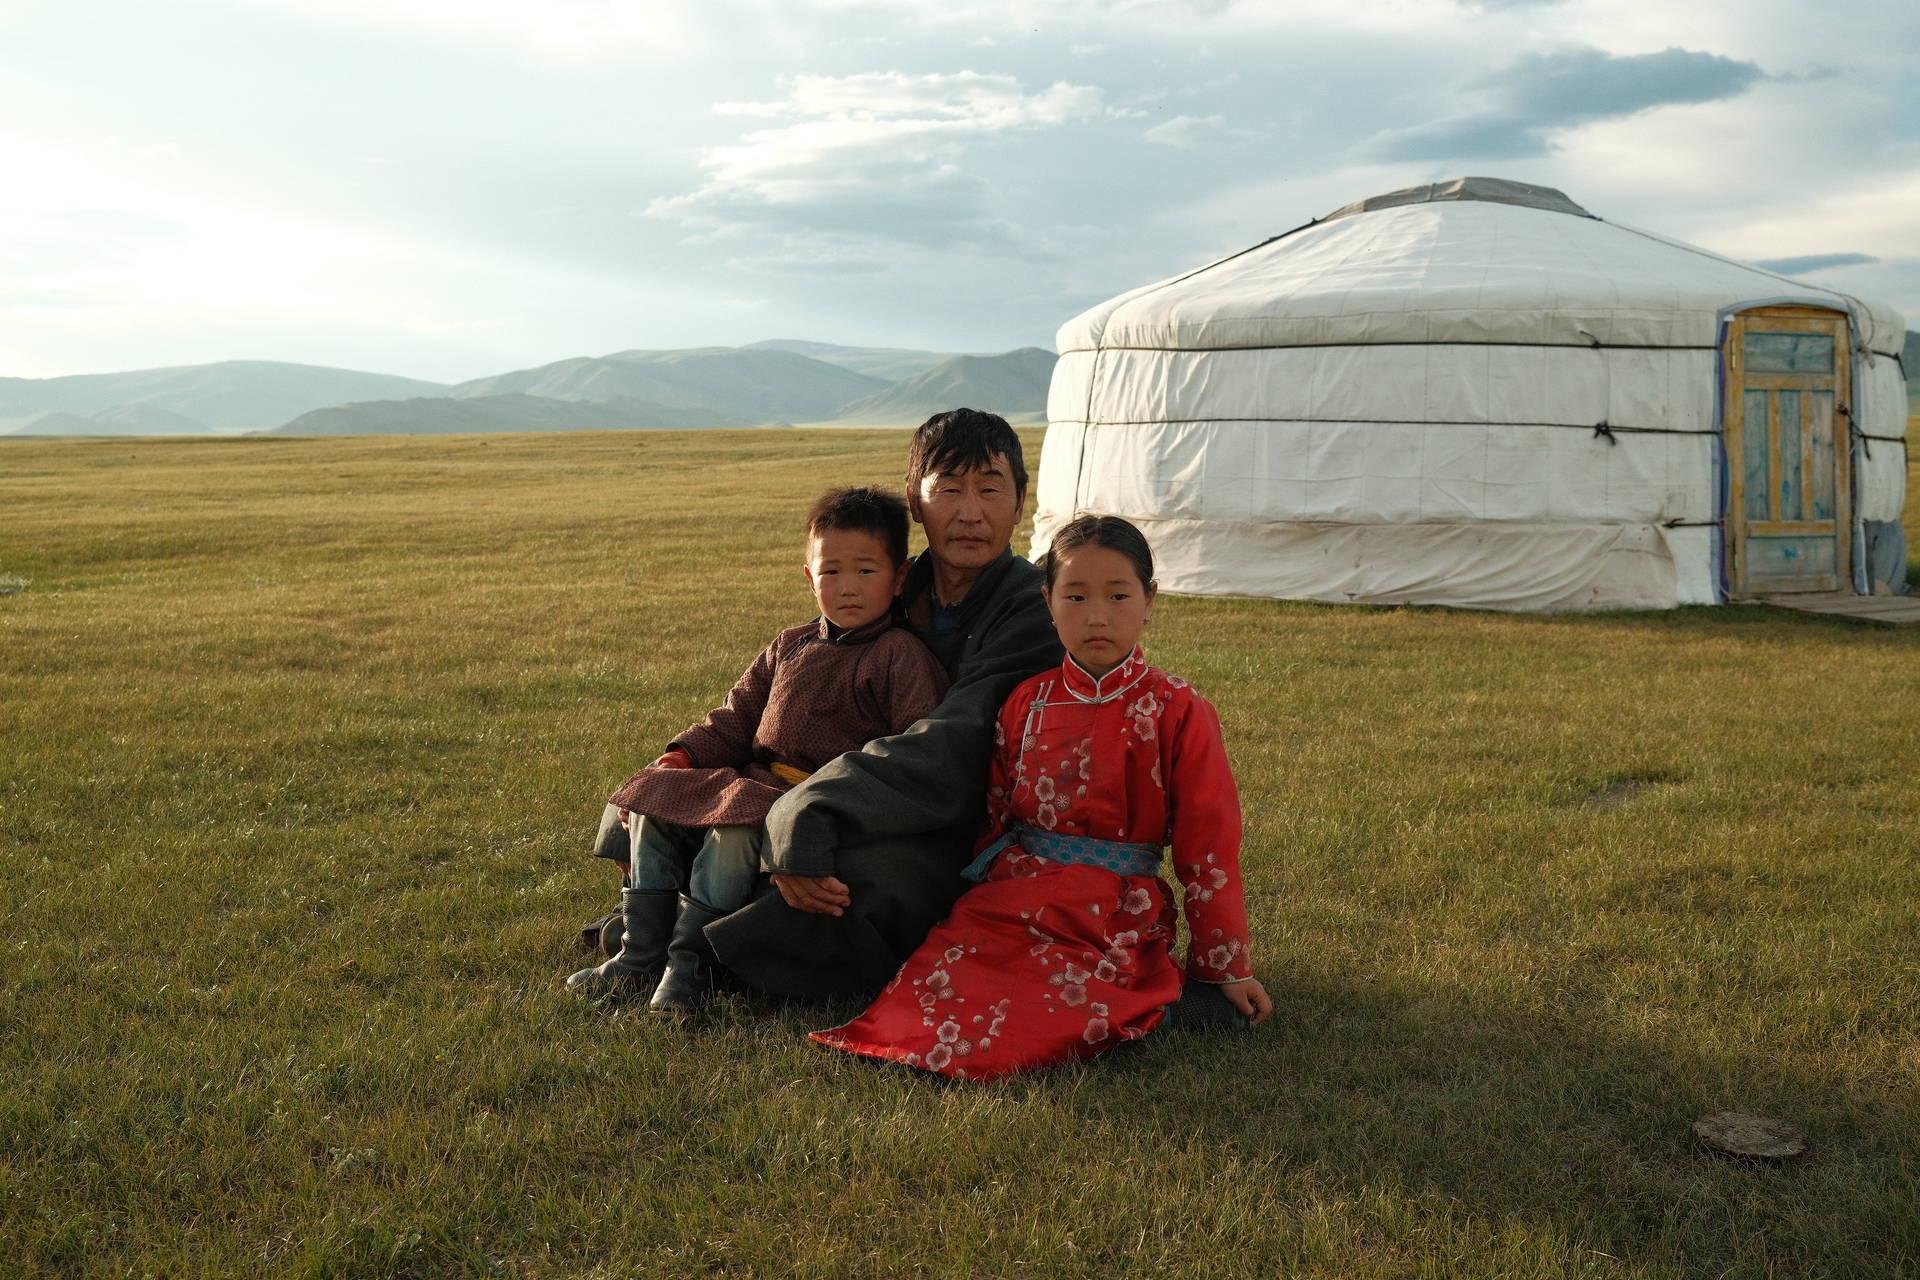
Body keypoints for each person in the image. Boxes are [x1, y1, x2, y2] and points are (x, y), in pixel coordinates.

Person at [809, 515, 1273, 1080]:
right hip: (1016, 894)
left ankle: (1169, 1002)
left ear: (1150, 599)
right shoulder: (1026, 701)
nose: (1097, 616)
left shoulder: (1178, 709)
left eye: (1118, 595)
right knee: (944, 975)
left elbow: (1210, 851)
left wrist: (1223, 969)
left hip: (1113, 911)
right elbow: (997, 814)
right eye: (1075, 596)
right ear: (1047, 601)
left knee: (1050, 1002)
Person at [697, 409, 1064, 1000]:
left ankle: (701, 957)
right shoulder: (891, 583)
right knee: (700, 809)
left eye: (990, 489)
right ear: (914, 503)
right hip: (854, 794)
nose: (970, 513)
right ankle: (687, 936)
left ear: (1021, 502)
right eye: (948, 489)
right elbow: (804, 673)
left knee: (865, 883)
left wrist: (811, 804)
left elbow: (956, 743)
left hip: (962, 824)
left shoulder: (1031, 609)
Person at [568, 486, 948, 1012]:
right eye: (831, 571)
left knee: (733, 827)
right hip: (750, 778)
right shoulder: (790, 644)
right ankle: (639, 953)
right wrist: (685, 754)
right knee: (654, 799)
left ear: (899, 576)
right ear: (809, 576)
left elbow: (907, 745)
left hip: (810, 799)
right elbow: (737, 716)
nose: (848, 588)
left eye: (866, 570)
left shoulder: (898, 656)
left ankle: (688, 966)